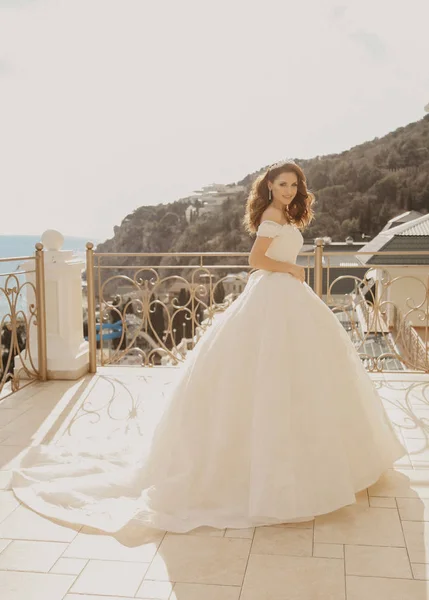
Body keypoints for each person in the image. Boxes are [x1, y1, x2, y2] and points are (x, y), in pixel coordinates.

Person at [10, 160, 405, 534]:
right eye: (282, 184)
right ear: (269, 186)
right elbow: (256, 259)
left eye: (293, 184)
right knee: (269, 374)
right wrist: (292, 269)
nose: (288, 190)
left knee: (298, 376)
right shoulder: (270, 215)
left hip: (287, 296)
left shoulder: (285, 215)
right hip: (274, 293)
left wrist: (290, 271)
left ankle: (308, 466)